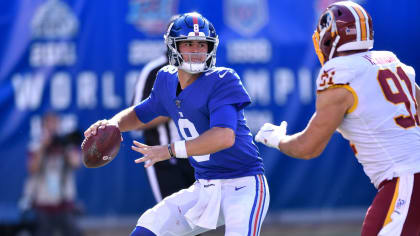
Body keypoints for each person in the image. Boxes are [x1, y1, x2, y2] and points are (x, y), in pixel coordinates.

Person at [84, 12, 269, 236]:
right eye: (188, 43)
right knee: (148, 227)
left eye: (202, 44)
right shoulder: (165, 79)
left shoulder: (223, 79)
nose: (196, 50)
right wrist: (112, 124)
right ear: (173, 47)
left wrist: (170, 150)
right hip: (205, 186)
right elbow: (140, 113)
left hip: (243, 184)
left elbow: (224, 136)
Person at [255, 1, 420, 236]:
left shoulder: (339, 73)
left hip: (406, 180)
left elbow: (308, 147)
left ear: (331, 38)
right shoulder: (391, 62)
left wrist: (278, 139)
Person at [131, 15, 196, 203]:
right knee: (176, 220)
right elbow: (135, 119)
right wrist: (175, 107)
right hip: (165, 159)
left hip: (199, 154)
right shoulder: (154, 71)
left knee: (199, 221)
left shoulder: (204, 69)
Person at [26, 112, 83, 236]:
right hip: (43, 203)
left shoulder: (66, 143)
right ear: (43, 127)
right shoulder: (36, 146)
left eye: (55, 124)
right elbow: (32, 169)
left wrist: (65, 146)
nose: (52, 128)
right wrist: (43, 146)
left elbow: (76, 163)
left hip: (64, 202)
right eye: (48, 124)